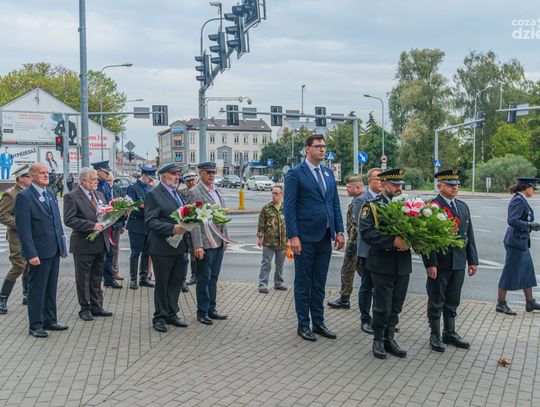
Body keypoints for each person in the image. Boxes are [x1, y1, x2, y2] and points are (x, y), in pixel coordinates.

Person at [284, 134, 345, 342]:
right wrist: (293, 236)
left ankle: (318, 323)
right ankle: (303, 324)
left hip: (325, 237)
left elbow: (334, 204)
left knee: (319, 283)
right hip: (305, 238)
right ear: (307, 149)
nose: (322, 149)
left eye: (324, 146)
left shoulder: (328, 173)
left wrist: (339, 231)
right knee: (303, 283)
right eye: (318, 146)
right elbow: (289, 207)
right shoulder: (295, 174)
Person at [422, 169, 479, 352]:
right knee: (436, 299)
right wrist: (430, 263)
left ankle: (450, 332)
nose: (455, 188)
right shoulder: (432, 207)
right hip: (440, 262)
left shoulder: (462, 206)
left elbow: (469, 235)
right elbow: (426, 239)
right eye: (450, 185)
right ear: (440, 186)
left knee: (453, 298)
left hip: (458, 262)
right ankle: (435, 335)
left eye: (456, 185)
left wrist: (472, 260)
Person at [358, 168, 411, 359]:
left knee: (396, 304)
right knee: (382, 305)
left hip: (402, 263)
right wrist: (392, 241)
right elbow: (367, 233)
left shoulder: (408, 206)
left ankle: (390, 339)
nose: (398, 188)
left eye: (400, 185)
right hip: (382, 263)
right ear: (383, 185)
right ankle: (378, 340)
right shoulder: (372, 206)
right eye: (394, 185)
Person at [14, 163, 68, 338]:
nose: (46, 175)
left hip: (53, 249)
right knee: (37, 289)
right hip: (38, 252)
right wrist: (31, 254)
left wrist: (62, 246)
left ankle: (49, 320)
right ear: (32, 176)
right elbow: (24, 229)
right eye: (42, 173)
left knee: (51, 287)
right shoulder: (24, 197)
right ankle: (35, 324)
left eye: (47, 172)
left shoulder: (50, 194)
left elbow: (56, 223)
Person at [64, 167, 113, 321]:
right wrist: (91, 226)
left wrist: (118, 214)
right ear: (83, 181)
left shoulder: (99, 195)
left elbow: (106, 214)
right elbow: (69, 220)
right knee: (83, 278)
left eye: (96, 179)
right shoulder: (72, 196)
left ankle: (97, 306)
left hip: (101, 242)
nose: (96, 181)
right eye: (93, 179)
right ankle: (85, 308)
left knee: (97, 277)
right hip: (83, 244)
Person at [145, 163, 189, 332]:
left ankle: (172, 313)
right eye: (173, 174)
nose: (176, 177)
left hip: (179, 246)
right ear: (163, 176)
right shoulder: (153, 194)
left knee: (176, 281)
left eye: (178, 174)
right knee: (163, 283)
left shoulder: (178, 193)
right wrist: (172, 228)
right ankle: (160, 317)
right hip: (162, 247)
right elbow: (151, 221)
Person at [188, 162, 229, 325]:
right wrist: (197, 245)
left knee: (213, 278)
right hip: (204, 244)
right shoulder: (194, 192)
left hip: (218, 242)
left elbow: (222, 218)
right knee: (203, 279)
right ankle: (202, 311)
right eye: (208, 172)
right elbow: (193, 220)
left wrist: (225, 239)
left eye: (213, 172)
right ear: (200, 173)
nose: (211, 175)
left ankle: (212, 309)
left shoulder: (216, 191)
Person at [496, 177, 540, 315]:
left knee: (527, 271)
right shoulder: (518, 200)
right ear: (526, 187)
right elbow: (512, 220)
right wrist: (529, 225)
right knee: (509, 272)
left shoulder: (521, 199)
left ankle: (530, 302)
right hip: (515, 242)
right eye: (533, 188)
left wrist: (531, 226)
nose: (534, 191)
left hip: (521, 241)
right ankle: (501, 303)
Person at [352, 168, 383, 334]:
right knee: (367, 286)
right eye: (378, 179)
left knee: (382, 287)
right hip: (368, 250)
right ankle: (365, 319)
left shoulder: (385, 199)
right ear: (370, 181)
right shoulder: (361, 200)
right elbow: (361, 224)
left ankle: (380, 319)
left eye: (383, 179)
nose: (381, 182)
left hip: (383, 250)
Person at [327, 175, 364, 308]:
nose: (346, 189)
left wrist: (352, 243)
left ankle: (345, 299)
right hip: (357, 243)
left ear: (358, 187)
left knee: (349, 271)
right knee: (357, 271)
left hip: (355, 244)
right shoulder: (358, 199)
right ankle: (345, 298)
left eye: (349, 187)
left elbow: (358, 225)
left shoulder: (360, 201)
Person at [0, 165, 32, 313]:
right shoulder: (11, 194)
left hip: (29, 235)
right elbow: (2, 215)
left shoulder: (29, 192)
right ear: (21, 178)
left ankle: (26, 295)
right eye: (29, 177)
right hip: (16, 235)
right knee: (19, 265)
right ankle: (2, 299)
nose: (31, 179)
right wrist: (21, 224)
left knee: (28, 264)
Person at [92, 160, 123, 288]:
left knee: (109, 253)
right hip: (99, 223)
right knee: (101, 254)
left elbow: (109, 200)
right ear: (98, 171)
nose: (107, 174)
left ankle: (109, 279)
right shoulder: (96, 185)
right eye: (105, 172)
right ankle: (101, 279)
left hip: (109, 223)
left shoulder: (105, 184)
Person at [126, 166, 156, 289]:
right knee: (135, 253)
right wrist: (144, 208)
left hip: (148, 225)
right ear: (144, 176)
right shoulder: (133, 188)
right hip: (136, 225)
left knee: (146, 253)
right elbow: (131, 206)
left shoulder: (150, 188)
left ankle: (143, 278)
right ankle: (133, 279)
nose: (151, 181)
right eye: (150, 178)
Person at [257, 185, 287, 293]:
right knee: (266, 263)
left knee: (280, 265)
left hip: (282, 241)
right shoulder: (266, 208)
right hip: (269, 242)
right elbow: (261, 224)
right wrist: (260, 237)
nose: (274, 195)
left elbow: (290, 224)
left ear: (282, 195)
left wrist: (290, 239)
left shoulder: (286, 208)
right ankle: (262, 285)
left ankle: (278, 283)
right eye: (273, 193)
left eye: (276, 193)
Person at [179, 171, 198, 290]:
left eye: (192, 180)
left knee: (197, 252)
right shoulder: (182, 193)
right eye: (188, 181)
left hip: (198, 226)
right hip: (186, 227)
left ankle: (196, 275)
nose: (191, 183)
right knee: (188, 253)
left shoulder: (200, 191)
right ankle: (188, 278)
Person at [107, 172, 125, 281]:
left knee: (115, 249)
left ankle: (115, 271)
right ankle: (105, 273)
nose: (108, 182)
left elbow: (123, 206)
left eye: (110, 180)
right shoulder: (100, 190)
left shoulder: (118, 189)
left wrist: (123, 223)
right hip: (104, 225)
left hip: (117, 224)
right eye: (107, 180)